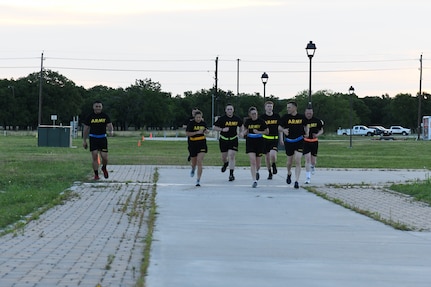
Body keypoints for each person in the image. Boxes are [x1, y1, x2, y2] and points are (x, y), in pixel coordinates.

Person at [82, 100, 114, 180]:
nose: (98, 108)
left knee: (104, 157)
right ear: (93, 107)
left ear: (101, 107)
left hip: (102, 138)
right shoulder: (90, 117)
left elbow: (110, 125)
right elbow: (86, 129)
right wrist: (84, 140)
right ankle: (96, 175)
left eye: (99, 106)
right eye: (96, 106)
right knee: (95, 155)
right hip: (93, 138)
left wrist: (111, 131)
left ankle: (104, 168)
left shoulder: (105, 116)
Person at [278, 101, 306, 189]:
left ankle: (297, 181)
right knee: (289, 162)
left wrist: (307, 132)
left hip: (299, 140)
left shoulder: (301, 117)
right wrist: (284, 131)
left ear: (294, 108)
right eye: (287, 107)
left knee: (298, 160)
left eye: (289, 107)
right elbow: (279, 127)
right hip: (289, 141)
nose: (288, 109)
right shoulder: (285, 117)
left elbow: (306, 125)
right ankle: (289, 173)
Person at [213, 104, 243, 181]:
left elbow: (241, 125)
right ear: (225, 110)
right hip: (223, 139)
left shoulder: (236, 118)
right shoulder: (222, 119)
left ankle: (231, 174)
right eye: (228, 109)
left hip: (233, 139)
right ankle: (225, 163)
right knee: (224, 157)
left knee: (232, 156)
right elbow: (214, 127)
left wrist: (241, 132)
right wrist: (222, 129)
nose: (229, 111)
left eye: (231, 109)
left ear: (233, 110)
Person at [242, 106, 269, 188]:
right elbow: (245, 130)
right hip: (250, 141)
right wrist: (244, 133)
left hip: (259, 141)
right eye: (252, 114)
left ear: (257, 113)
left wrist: (259, 132)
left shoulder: (261, 121)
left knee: (258, 163)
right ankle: (254, 180)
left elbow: (267, 132)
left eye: (255, 114)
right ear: (250, 114)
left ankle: (257, 171)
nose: (254, 115)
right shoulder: (247, 122)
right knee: (252, 161)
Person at [186, 110, 209, 187]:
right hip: (193, 144)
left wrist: (206, 131)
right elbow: (187, 133)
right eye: (197, 117)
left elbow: (206, 130)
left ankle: (198, 180)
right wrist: (196, 132)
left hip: (202, 144)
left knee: (200, 161)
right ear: (194, 117)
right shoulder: (191, 124)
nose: (198, 119)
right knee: (194, 162)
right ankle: (193, 169)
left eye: (200, 117)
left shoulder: (203, 123)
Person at [303, 106, 324, 184]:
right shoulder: (303, 120)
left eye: (310, 113)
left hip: (314, 141)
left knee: (313, 161)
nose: (309, 114)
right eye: (307, 113)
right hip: (306, 141)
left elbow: (321, 130)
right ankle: (308, 177)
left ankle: (313, 166)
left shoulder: (317, 121)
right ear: (305, 113)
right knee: (307, 159)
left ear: (312, 113)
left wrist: (318, 134)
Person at [260, 101, 280, 180]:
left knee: (272, 155)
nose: (269, 108)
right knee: (267, 157)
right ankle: (269, 172)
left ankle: (274, 165)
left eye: (271, 106)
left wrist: (281, 138)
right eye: (268, 106)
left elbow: (280, 127)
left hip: (274, 138)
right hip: (265, 139)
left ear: (273, 107)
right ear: (265, 108)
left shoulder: (277, 116)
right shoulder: (262, 117)